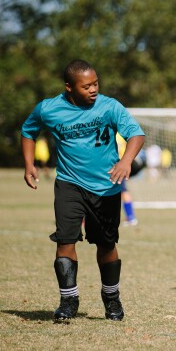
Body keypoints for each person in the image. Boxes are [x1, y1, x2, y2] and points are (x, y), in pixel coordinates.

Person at [21, 59, 145, 322]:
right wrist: (29, 164)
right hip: (69, 183)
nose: (93, 89)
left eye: (96, 83)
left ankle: (111, 298)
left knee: (106, 244)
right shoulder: (48, 109)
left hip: (106, 188)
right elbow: (28, 131)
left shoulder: (110, 106)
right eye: (86, 85)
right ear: (69, 87)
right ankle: (68, 300)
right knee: (65, 241)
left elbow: (136, 134)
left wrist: (125, 162)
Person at [116, 133, 141, 227]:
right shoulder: (121, 135)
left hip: (114, 165)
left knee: (123, 190)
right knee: (123, 190)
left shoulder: (113, 133)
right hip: (121, 165)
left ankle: (131, 217)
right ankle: (130, 217)